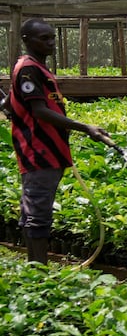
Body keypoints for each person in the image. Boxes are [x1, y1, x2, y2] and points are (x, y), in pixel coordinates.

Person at [9, 17, 118, 263]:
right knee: (38, 214)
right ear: (27, 40)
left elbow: (11, 103)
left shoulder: (36, 68)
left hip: (50, 151)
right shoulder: (29, 69)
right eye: (43, 38)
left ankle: (34, 268)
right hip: (39, 151)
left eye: (52, 37)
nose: (50, 43)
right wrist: (85, 127)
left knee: (32, 211)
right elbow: (39, 111)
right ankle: (38, 271)